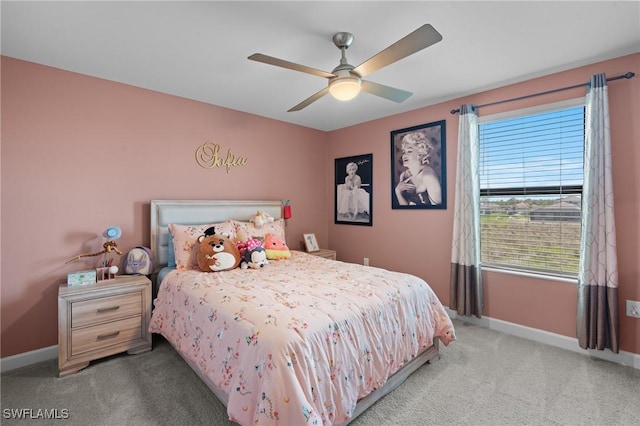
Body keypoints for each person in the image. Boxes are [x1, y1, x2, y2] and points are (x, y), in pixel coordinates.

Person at [394, 130, 442, 206]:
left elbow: (439, 209)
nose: (404, 155)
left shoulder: (428, 176)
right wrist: (398, 192)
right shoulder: (404, 176)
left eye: (409, 151)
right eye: (404, 152)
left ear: (420, 153)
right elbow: (406, 209)